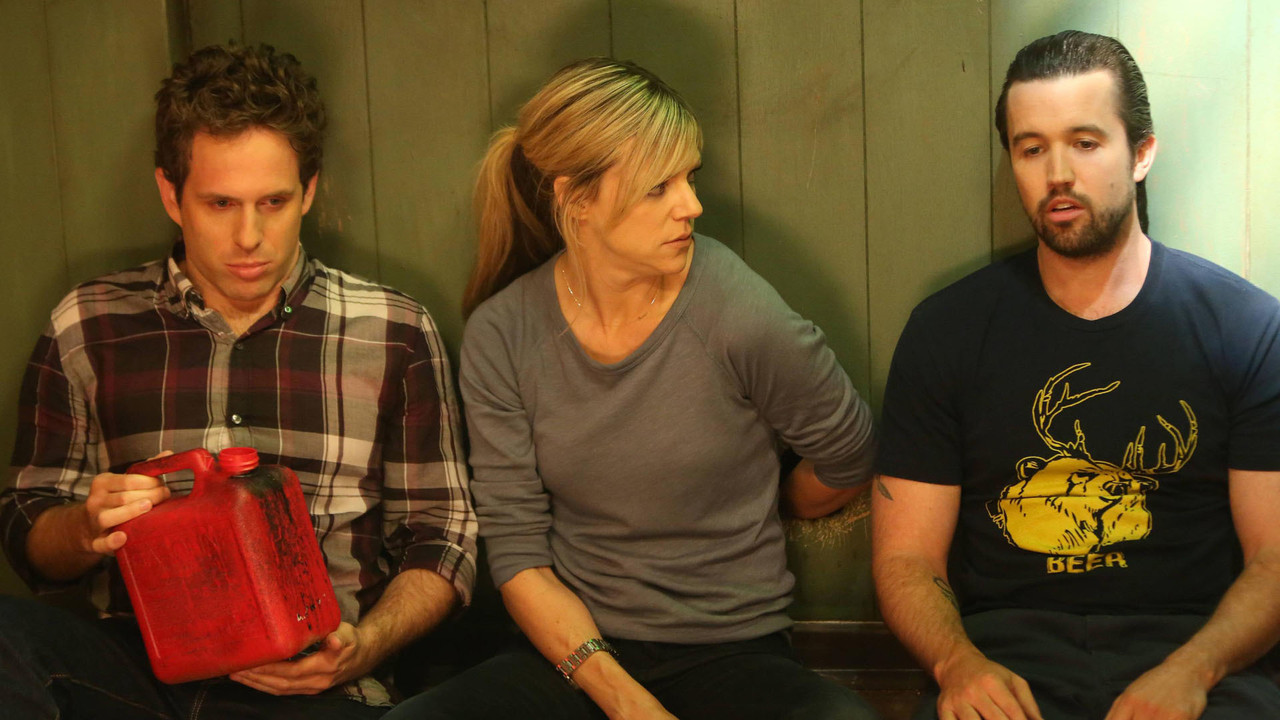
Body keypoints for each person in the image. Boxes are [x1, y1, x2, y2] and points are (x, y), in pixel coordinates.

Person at [386, 58, 879, 720]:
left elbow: (849, 453)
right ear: (577, 200)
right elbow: (519, 553)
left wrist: (774, 499)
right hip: (570, 652)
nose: (692, 205)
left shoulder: (737, 310)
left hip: (730, 653)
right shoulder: (503, 333)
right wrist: (625, 701)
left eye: (690, 177)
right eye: (658, 188)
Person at [0, 43, 476, 719]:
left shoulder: (393, 331)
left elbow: (445, 536)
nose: (249, 236)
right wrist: (83, 528)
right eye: (220, 203)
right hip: (139, 669)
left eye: (274, 202)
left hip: (316, 680)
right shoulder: (90, 322)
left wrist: (366, 647)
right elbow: (26, 524)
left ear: (310, 191)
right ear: (170, 194)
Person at [873, 30, 1280, 720]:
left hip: (1197, 657)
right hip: (1005, 661)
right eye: (1031, 149)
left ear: (1141, 153)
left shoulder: (1246, 329)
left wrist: (1193, 671)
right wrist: (957, 665)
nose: (1057, 173)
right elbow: (906, 559)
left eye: (1085, 143)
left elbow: (1273, 557)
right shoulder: (947, 330)